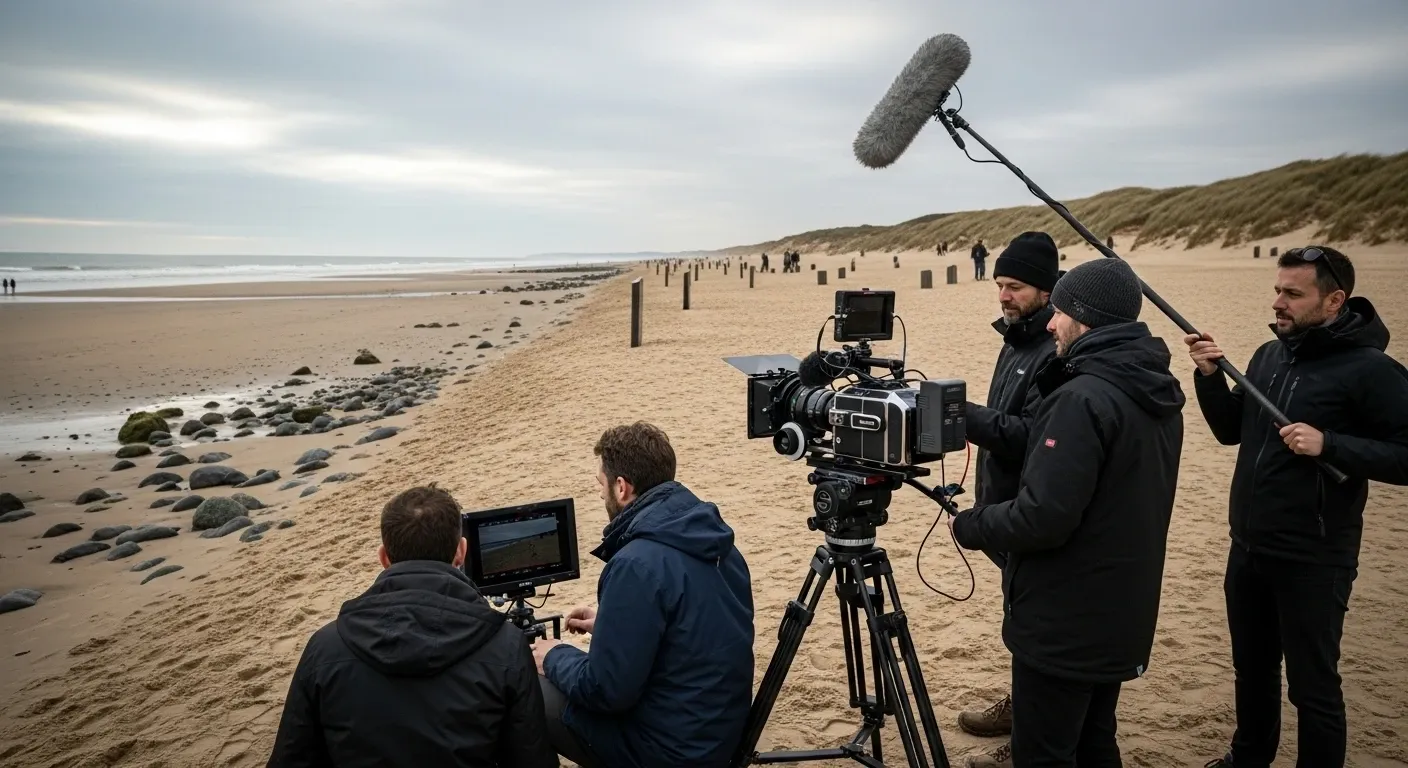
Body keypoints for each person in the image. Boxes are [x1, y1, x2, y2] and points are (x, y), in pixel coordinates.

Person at [950, 257, 1185, 767]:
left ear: (1085, 317)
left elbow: (1042, 518)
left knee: (1045, 752)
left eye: (1059, 313)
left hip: (1065, 619)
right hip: (1119, 609)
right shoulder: (1153, 384)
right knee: (1095, 741)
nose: (1051, 324)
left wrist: (971, 524)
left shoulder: (1081, 398)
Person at [1189, 247, 1408, 768]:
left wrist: (1331, 444)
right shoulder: (1270, 355)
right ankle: (1249, 759)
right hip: (1248, 546)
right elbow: (1229, 430)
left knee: (1313, 688)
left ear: (1334, 300)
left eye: (1292, 293)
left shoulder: (1371, 370)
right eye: (1277, 290)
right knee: (1253, 670)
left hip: (1314, 556)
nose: (1278, 303)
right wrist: (1209, 376)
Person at [267, 484, 556, 768]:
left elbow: (293, 757)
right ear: (461, 551)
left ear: (384, 557)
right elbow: (531, 758)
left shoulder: (325, 646)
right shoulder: (506, 645)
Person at [533, 422, 754, 768]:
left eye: (600, 484)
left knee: (526, 686)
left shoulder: (636, 564)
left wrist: (553, 656)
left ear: (621, 487)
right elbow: (694, 628)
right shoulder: (716, 540)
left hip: (669, 751)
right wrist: (611, 624)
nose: (600, 493)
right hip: (718, 731)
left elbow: (606, 691)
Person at [955, 231, 1062, 765]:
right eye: (999, 284)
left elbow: (1030, 435)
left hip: (1032, 510)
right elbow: (1006, 422)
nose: (1003, 296)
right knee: (1019, 620)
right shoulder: (1016, 338)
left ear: (1046, 290)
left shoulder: (1055, 350)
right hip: (1003, 504)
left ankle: (1030, 733)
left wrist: (960, 415)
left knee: (1036, 629)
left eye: (1015, 286)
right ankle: (1024, 708)